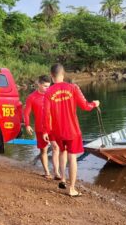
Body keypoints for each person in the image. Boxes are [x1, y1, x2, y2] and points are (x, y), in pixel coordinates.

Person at [42, 64, 100, 197]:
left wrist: (46, 131)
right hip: (72, 130)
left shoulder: (48, 92)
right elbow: (85, 106)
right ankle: (72, 189)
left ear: (51, 76)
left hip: (57, 131)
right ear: (64, 74)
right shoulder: (73, 88)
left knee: (62, 152)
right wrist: (95, 104)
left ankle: (63, 178)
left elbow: (46, 114)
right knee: (72, 157)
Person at [24, 75, 61, 180]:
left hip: (53, 127)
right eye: (45, 86)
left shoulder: (52, 95)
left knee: (56, 147)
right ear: (38, 84)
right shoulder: (32, 97)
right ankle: (47, 172)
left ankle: (57, 173)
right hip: (40, 128)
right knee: (43, 151)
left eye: (49, 86)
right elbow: (26, 113)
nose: (47, 88)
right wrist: (27, 125)